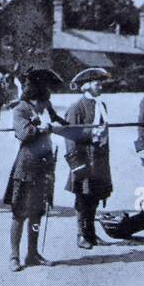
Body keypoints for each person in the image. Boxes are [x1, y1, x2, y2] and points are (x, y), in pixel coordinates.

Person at [2, 67, 67, 271]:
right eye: (45, 88)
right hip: (27, 165)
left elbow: (59, 120)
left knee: (37, 212)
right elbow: (24, 133)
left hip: (45, 166)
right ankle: (14, 256)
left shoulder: (46, 106)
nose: (48, 94)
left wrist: (70, 126)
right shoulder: (20, 109)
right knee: (19, 212)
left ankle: (33, 253)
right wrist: (40, 128)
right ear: (36, 90)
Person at [63, 68, 113, 250]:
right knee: (82, 198)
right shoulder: (76, 107)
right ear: (86, 85)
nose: (100, 85)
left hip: (99, 160)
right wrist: (75, 164)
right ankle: (81, 235)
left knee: (95, 197)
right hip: (83, 159)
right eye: (97, 83)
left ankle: (91, 234)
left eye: (101, 82)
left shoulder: (102, 106)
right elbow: (70, 136)